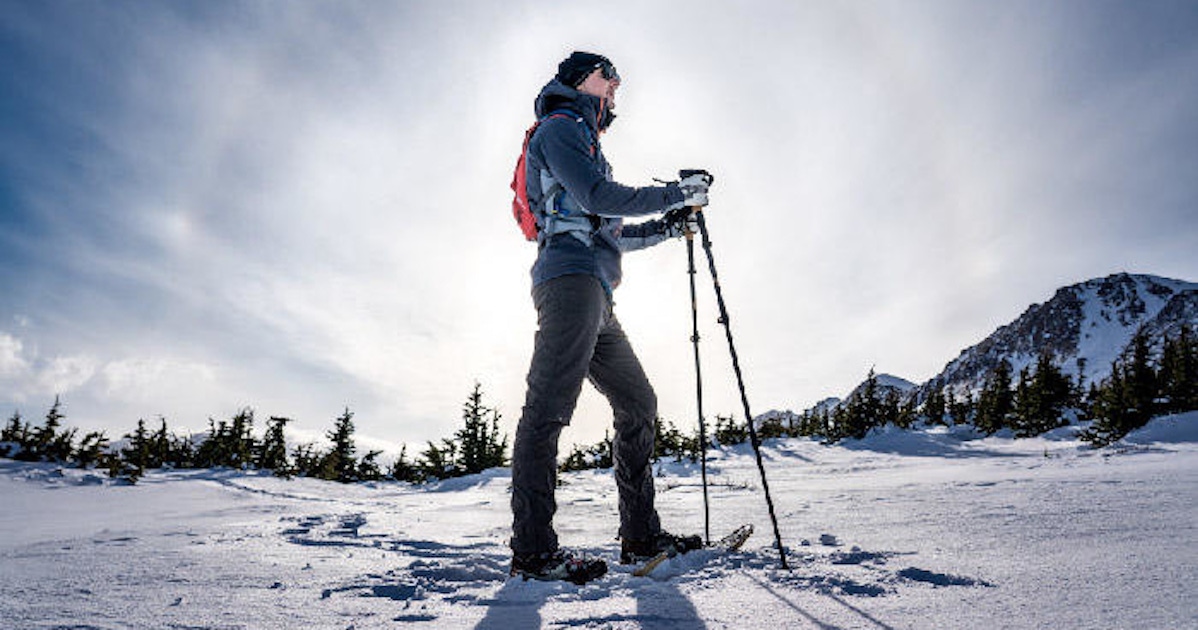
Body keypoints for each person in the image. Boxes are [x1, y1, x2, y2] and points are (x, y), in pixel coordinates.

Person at [509, 51, 713, 584]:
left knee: (638, 400)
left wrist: (669, 223)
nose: (617, 86)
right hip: (568, 282)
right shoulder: (559, 128)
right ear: (580, 80)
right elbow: (597, 197)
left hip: (598, 294)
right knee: (549, 408)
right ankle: (533, 552)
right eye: (608, 76)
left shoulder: (590, 146)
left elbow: (612, 228)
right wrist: (676, 192)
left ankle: (639, 535)